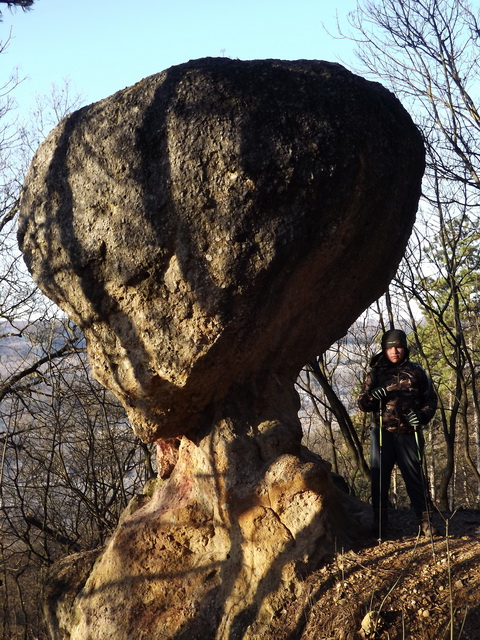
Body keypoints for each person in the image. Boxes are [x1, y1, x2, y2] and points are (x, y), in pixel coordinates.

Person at [358, 328, 438, 538]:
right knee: (380, 479)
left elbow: (431, 399)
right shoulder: (375, 374)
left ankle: (426, 523)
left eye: (399, 346)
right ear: (384, 349)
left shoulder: (416, 371)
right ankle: (380, 524)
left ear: (405, 348)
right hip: (382, 434)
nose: (395, 351)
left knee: (415, 478)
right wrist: (372, 398)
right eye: (391, 347)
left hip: (409, 433)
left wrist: (422, 417)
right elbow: (363, 404)